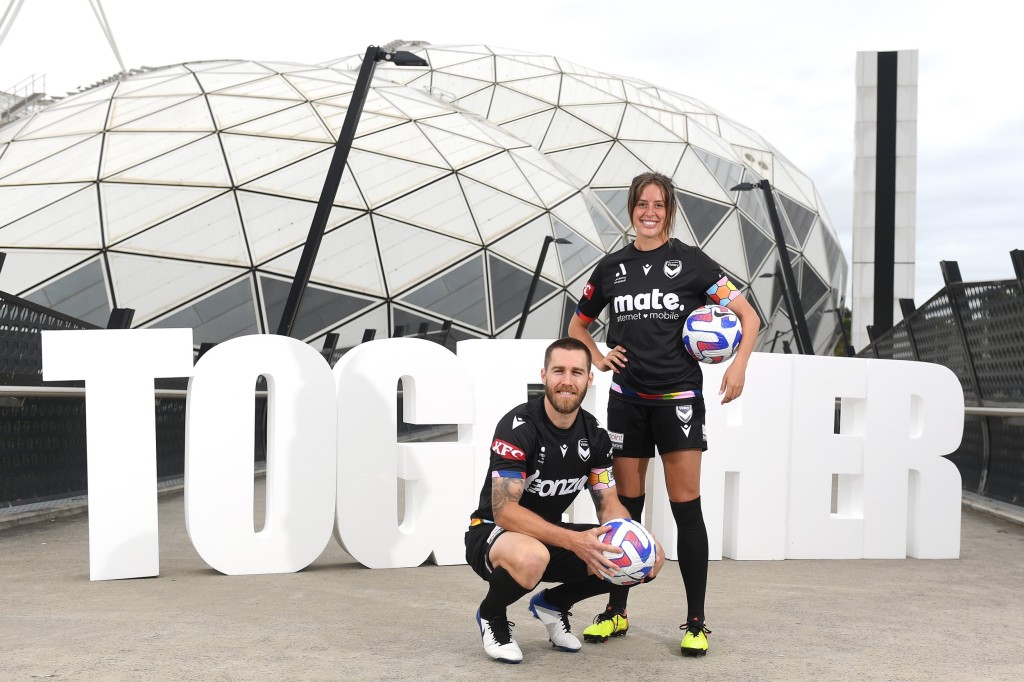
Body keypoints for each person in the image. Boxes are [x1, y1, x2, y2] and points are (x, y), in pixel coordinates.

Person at [568, 171, 761, 657]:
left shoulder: (692, 263)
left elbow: (749, 316)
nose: (649, 212)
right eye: (642, 204)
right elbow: (578, 323)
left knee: (685, 508)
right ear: (631, 209)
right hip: (627, 401)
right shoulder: (612, 268)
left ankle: (695, 621)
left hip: (677, 401)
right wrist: (596, 355)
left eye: (658, 205)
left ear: (668, 211)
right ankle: (615, 611)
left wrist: (737, 366)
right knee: (624, 510)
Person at [465, 337, 664, 664]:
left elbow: (608, 503)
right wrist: (574, 541)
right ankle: (492, 615)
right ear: (544, 375)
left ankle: (553, 603)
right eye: (558, 371)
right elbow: (504, 512)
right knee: (533, 557)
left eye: (576, 372)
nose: (567, 381)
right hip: (491, 533)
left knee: (645, 558)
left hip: (548, 534)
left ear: (589, 378)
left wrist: (633, 535)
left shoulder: (595, 436)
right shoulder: (519, 428)